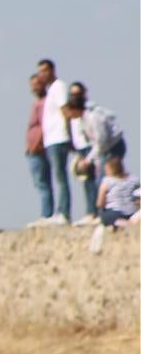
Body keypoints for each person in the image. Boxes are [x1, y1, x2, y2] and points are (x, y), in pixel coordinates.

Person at [65, 83, 126, 225]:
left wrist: (88, 160)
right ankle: (103, 214)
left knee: (104, 181)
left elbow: (102, 141)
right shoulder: (84, 119)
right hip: (104, 149)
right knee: (101, 181)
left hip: (112, 147)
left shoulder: (93, 118)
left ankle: (106, 214)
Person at [31, 59, 72, 226]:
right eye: (40, 71)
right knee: (57, 176)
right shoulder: (51, 91)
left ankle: (64, 212)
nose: (42, 74)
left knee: (60, 176)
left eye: (45, 70)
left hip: (59, 138)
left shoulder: (59, 86)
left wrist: (71, 136)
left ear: (52, 70)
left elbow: (65, 111)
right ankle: (59, 212)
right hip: (51, 140)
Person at [25, 73, 53, 224]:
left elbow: (44, 125)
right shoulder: (37, 103)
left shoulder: (43, 104)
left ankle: (46, 215)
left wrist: (35, 145)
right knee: (39, 183)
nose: (34, 88)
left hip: (38, 150)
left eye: (37, 84)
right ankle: (46, 213)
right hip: (33, 150)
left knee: (43, 183)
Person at [95, 157, 139, 228]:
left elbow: (100, 203)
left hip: (115, 212)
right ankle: (128, 222)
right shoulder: (134, 180)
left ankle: (118, 223)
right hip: (132, 212)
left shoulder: (107, 181)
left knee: (102, 214)